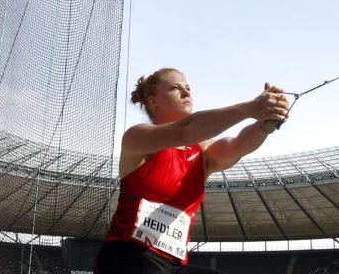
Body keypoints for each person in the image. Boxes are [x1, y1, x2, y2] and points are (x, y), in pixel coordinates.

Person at [96, 68, 290, 274]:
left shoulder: (201, 151)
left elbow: (237, 146)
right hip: (128, 256)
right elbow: (186, 130)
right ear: (153, 102)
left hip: (173, 262)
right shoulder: (137, 137)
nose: (187, 92)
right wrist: (249, 108)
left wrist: (264, 126)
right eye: (175, 88)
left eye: (188, 88)